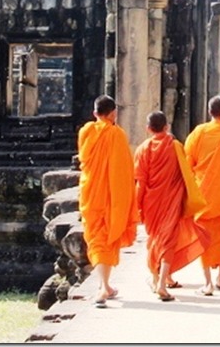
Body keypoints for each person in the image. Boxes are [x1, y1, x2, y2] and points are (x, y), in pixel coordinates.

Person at [133, 111, 209, 302]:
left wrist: (136, 205)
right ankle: (161, 283)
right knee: (168, 240)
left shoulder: (142, 149)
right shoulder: (176, 146)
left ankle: (158, 279)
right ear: (166, 127)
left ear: (148, 129)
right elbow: (186, 175)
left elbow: (140, 183)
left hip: (151, 202)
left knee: (155, 239)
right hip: (171, 200)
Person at [77, 95, 138, 308]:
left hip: (91, 193)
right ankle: (104, 285)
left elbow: (84, 161)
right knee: (107, 237)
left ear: (95, 113)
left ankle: (104, 285)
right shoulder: (117, 135)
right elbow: (124, 171)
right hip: (110, 196)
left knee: (96, 237)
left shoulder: (85, 132)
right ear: (114, 114)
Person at [185, 95, 220, 296]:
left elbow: (188, 161)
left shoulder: (198, 133)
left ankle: (208, 282)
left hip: (202, 194)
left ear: (210, 112)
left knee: (204, 238)